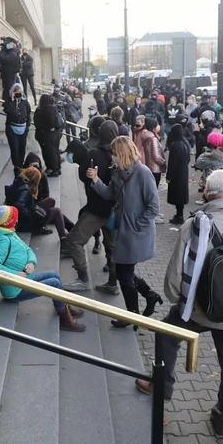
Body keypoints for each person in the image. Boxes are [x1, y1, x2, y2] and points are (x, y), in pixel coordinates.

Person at [136, 170, 223, 438]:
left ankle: (163, 385)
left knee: (166, 333)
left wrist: (180, 301)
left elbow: (175, 277)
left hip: (200, 310)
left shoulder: (194, 225)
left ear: (207, 193)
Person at [86, 137, 162, 328]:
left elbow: (154, 206)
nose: (112, 157)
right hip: (124, 231)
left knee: (124, 273)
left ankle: (132, 314)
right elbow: (109, 194)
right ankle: (149, 297)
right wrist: (95, 180)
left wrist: (137, 224)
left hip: (136, 233)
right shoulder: (118, 172)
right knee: (124, 273)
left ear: (122, 153)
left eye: (114, 153)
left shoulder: (143, 173)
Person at [0, 206, 86, 332]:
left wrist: (31, 262)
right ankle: (65, 320)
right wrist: (15, 274)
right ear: (8, 222)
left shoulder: (9, 233)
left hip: (23, 280)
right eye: (15, 218)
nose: (17, 220)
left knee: (53, 274)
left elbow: (27, 249)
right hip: (15, 289)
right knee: (54, 283)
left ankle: (64, 305)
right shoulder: (3, 240)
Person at [64, 120, 120, 293]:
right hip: (115, 209)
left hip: (98, 209)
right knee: (112, 246)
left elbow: (84, 176)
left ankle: (83, 279)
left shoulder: (94, 153)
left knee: (74, 240)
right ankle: (113, 282)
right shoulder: (119, 153)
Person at [6, 167, 70, 248]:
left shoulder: (18, 181)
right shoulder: (26, 190)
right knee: (56, 211)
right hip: (26, 223)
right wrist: (31, 214)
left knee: (51, 201)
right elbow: (18, 205)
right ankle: (63, 238)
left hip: (23, 217)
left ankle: (64, 227)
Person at [166, 124, 192, 225]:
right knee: (181, 194)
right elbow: (188, 159)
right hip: (184, 172)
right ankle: (179, 214)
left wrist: (169, 176)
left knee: (176, 195)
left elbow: (172, 162)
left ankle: (179, 216)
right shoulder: (185, 143)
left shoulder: (174, 145)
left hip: (176, 174)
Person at [2, 82, 31, 170]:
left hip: (23, 127)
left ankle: (21, 164)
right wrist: (11, 100)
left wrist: (27, 125)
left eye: (19, 91)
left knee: (22, 147)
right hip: (12, 127)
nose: (18, 93)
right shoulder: (8, 101)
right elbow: (7, 111)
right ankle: (16, 165)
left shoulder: (25, 101)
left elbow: (28, 113)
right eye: (16, 91)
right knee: (14, 147)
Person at [33, 94, 63, 176]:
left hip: (47, 134)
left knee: (50, 151)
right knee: (55, 151)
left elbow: (44, 122)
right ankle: (57, 168)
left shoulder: (44, 109)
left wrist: (49, 127)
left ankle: (54, 169)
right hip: (56, 133)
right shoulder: (54, 108)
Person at [135, 116, 166, 194]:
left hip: (149, 165)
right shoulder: (153, 139)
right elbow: (156, 156)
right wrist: (163, 162)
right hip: (155, 168)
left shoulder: (146, 136)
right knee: (153, 190)